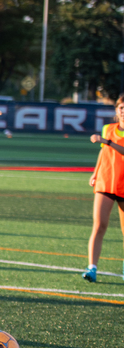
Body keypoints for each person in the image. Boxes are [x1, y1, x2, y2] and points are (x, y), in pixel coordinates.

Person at [83, 97, 124, 282]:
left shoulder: (107, 137)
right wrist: (95, 172)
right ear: (117, 109)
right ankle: (92, 268)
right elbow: (103, 151)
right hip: (106, 181)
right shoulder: (108, 129)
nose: (123, 110)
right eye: (121, 107)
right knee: (99, 225)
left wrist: (107, 142)